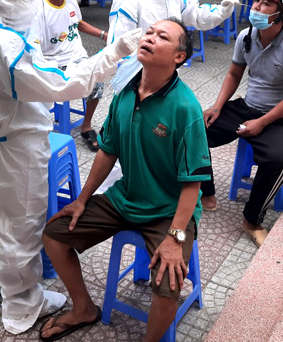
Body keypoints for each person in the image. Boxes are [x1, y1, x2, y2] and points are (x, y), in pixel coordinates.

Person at [0, 0, 141, 335]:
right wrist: (115, 52)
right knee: (20, 226)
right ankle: (22, 305)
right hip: (17, 149)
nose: (34, 0)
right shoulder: (5, 46)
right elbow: (64, 85)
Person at [41, 18, 209, 342]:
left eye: (162, 37)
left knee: (167, 281)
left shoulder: (185, 108)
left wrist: (175, 237)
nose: (150, 38)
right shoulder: (126, 92)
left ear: (179, 57)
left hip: (169, 211)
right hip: (125, 199)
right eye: (149, 32)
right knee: (54, 235)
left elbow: (193, 184)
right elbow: (107, 151)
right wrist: (82, 199)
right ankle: (83, 309)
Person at [103, 0, 238, 192]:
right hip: (137, 85)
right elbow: (119, 51)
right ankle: (123, 193)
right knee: (133, 144)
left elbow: (195, 15)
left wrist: (220, 12)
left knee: (168, 137)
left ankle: (166, 187)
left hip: (166, 80)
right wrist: (141, 82)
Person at [201, 0, 283, 247]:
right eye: (257, 0)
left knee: (277, 162)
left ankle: (252, 219)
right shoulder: (246, 36)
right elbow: (234, 73)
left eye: (266, 2)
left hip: (275, 116)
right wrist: (217, 106)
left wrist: (261, 123)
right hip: (245, 106)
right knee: (193, 131)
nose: (257, 6)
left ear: (282, 12)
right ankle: (206, 194)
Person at [30, 0, 109, 151]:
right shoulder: (39, 10)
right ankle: (44, 125)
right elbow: (35, 46)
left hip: (77, 56)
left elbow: (79, 23)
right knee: (64, 84)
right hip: (54, 62)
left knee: (97, 78)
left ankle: (86, 125)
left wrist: (103, 34)